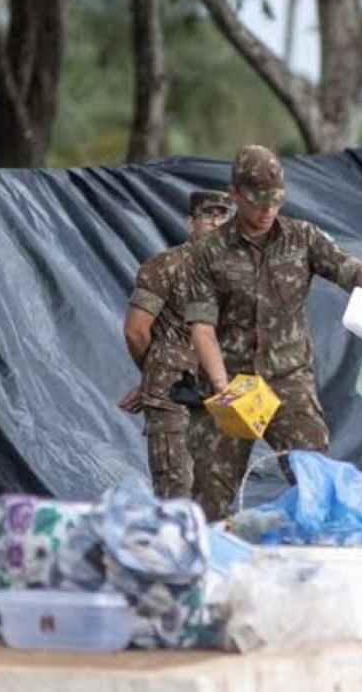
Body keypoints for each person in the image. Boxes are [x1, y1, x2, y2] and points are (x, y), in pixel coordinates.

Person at [185, 144, 362, 518]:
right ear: (235, 194)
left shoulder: (302, 238)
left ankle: (322, 559)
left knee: (316, 478)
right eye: (258, 202)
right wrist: (221, 387)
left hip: (287, 380)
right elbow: (202, 328)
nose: (268, 210)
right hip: (231, 382)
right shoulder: (209, 253)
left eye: (275, 201)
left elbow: (350, 269)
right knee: (210, 500)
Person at [120, 190, 235, 499]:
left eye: (223, 215)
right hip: (172, 395)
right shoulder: (165, 266)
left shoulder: (236, 273)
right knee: (177, 494)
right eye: (208, 215)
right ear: (190, 222)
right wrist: (154, 373)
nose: (215, 222)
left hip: (219, 395)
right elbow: (136, 331)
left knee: (215, 496)